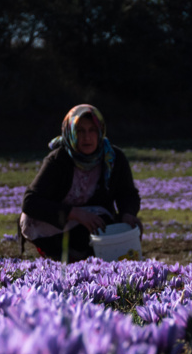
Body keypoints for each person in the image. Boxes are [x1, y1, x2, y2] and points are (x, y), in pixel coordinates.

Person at [19, 104, 143, 262]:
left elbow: (128, 193)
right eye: (80, 130)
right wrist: (75, 214)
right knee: (28, 220)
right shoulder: (58, 160)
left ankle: (87, 256)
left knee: (112, 222)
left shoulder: (113, 158)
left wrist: (128, 213)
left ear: (100, 131)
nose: (87, 137)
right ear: (70, 132)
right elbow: (30, 202)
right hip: (63, 224)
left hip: (97, 223)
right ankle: (59, 254)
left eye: (92, 130)